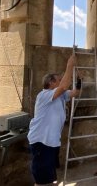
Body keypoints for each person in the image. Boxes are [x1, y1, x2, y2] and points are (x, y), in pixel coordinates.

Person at [28, 54, 82, 186]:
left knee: (49, 177)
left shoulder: (60, 96)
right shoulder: (44, 95)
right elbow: (63, 87)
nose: (61, 82)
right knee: (41, 179)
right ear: (50, 82)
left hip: (51, 142)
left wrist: (80, 81)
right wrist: (70, 65)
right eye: (58, 80)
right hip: (41, 141)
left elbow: (75, 93)